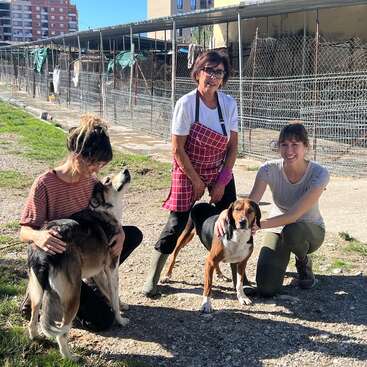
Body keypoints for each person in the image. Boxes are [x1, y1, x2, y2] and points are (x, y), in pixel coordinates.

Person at [19, 114, 143, 331]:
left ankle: (86, 285)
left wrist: (120, 233)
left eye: (100, 164)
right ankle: (44, 295)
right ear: (76, 153)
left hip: (81, 251)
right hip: (59, 259)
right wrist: (39, 236)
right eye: (92, 162)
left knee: (132, 235)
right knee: (103, 321)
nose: (95, 169)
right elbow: (24, 231)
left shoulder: (90, 182)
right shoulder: (45, 184)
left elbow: (105, 216)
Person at [142, 50, 239, 297]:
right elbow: (177, 148)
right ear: (198, 73)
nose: (213, 77)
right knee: (176, 223)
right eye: (209, 70)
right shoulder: (186, 104)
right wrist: (196, 180)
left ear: (223, 78)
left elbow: (233, 147)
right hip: (187, 167)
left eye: (219, 72)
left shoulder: (228, 104)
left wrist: (221, 181)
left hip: (217, 167)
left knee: (231, 217)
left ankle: (237, 275)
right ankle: (153, 278)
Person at [215, 122, 330, 297]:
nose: (289, 150)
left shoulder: (320, 173)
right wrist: (227, 212)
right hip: (278, 228)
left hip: (309, 229)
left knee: (293, 231)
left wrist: (258, 225)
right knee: (267, 288)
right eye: (284, 144)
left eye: (295, 145)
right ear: (278, 147)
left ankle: (303, 261)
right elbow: (251, 202)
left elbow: (294, 215)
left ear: (306, 147)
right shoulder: (268, 169)